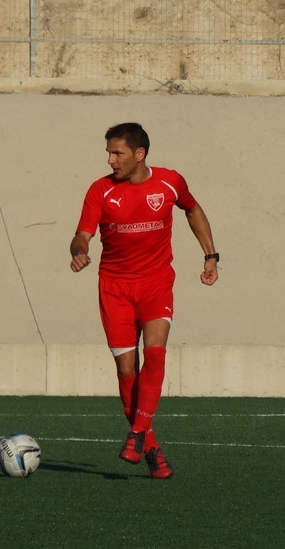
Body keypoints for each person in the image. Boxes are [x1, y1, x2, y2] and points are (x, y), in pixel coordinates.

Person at [70, 122, 219, 479]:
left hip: (155, 284)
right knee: (127, 370)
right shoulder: (101, 190)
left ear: (139, 154)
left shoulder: (170, 182)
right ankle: (150, 447)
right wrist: (79, 250)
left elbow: (193, 210)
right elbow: (82, 234)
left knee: (155, 352)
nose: (111, 160)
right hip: (115, 289)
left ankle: (137, 432)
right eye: (109, 153)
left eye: (117, 153)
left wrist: (211, 255)